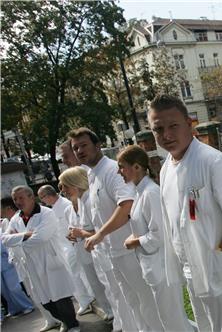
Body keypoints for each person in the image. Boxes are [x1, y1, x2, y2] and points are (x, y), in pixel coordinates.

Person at [149, 94, 222, 331]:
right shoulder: (166, 169)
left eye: (173, 126)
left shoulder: (213, 162)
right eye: (158, 129)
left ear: (189, 123)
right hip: (193, 274)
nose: (166, 135)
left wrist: (220, 253)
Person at [69, 127, 163, 332]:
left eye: (84, 145)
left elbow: (126, 205)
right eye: (75, 148)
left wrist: (99, 234)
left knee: (146, 302)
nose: (79, 151)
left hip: (129, 250)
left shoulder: (112, 170)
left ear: (98, 145)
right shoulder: (92, 175)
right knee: (131, 302)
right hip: (113, 253)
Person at [117, 145, 194, 331]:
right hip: (153, 267)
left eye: (122, 166)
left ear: (136, 167)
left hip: (162, 268)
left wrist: (134, 242)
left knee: (172, 318)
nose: (119, 172)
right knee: (167, 317)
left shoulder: (150, 193)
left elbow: (158, 235)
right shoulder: (139, 192)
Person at [2, 186, 80, 332]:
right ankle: (64, 322)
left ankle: (73, 325)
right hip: (31, 265)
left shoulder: (46, 213)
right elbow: (4, 239)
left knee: (61, 297)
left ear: (31, 197)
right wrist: (25, 235)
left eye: (21, 198)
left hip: (50, 260)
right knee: (45, 302)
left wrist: (18, 240)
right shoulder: (15, 218)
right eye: (15, 199)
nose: (18, 202)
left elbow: (42, 237)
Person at [58, 167, 115, 324]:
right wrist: (77, 235)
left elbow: (100, 232)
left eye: (65, 186)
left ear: (75, 183)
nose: (63, 191)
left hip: (104, 251)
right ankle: (114, 316)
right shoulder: (83, 201)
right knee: (101, 286)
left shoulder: (89, 201)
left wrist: (80, 233)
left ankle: (118, 319)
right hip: (94, 252)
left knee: (113, 290)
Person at [1, 197, 61, 332]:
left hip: (33, 260)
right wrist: (24, 235)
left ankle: (59, 319)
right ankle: (49, 319)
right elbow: (5, 239)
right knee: (33, 294)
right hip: (20, 263)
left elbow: (34, 237)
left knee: (47, 291)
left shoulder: (20, 218)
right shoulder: (7, 222)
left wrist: (18, 236)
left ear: (8, 208)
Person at [38, 185, 94, 316]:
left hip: (71, 245)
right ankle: (85, 299)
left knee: (77, 274)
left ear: (48, 195)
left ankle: (86, 299)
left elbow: (73, 224)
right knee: (76, 274)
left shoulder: (65, 204)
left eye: (42, 198)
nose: (42, 201)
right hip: (64, 245)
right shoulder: (54, 207)